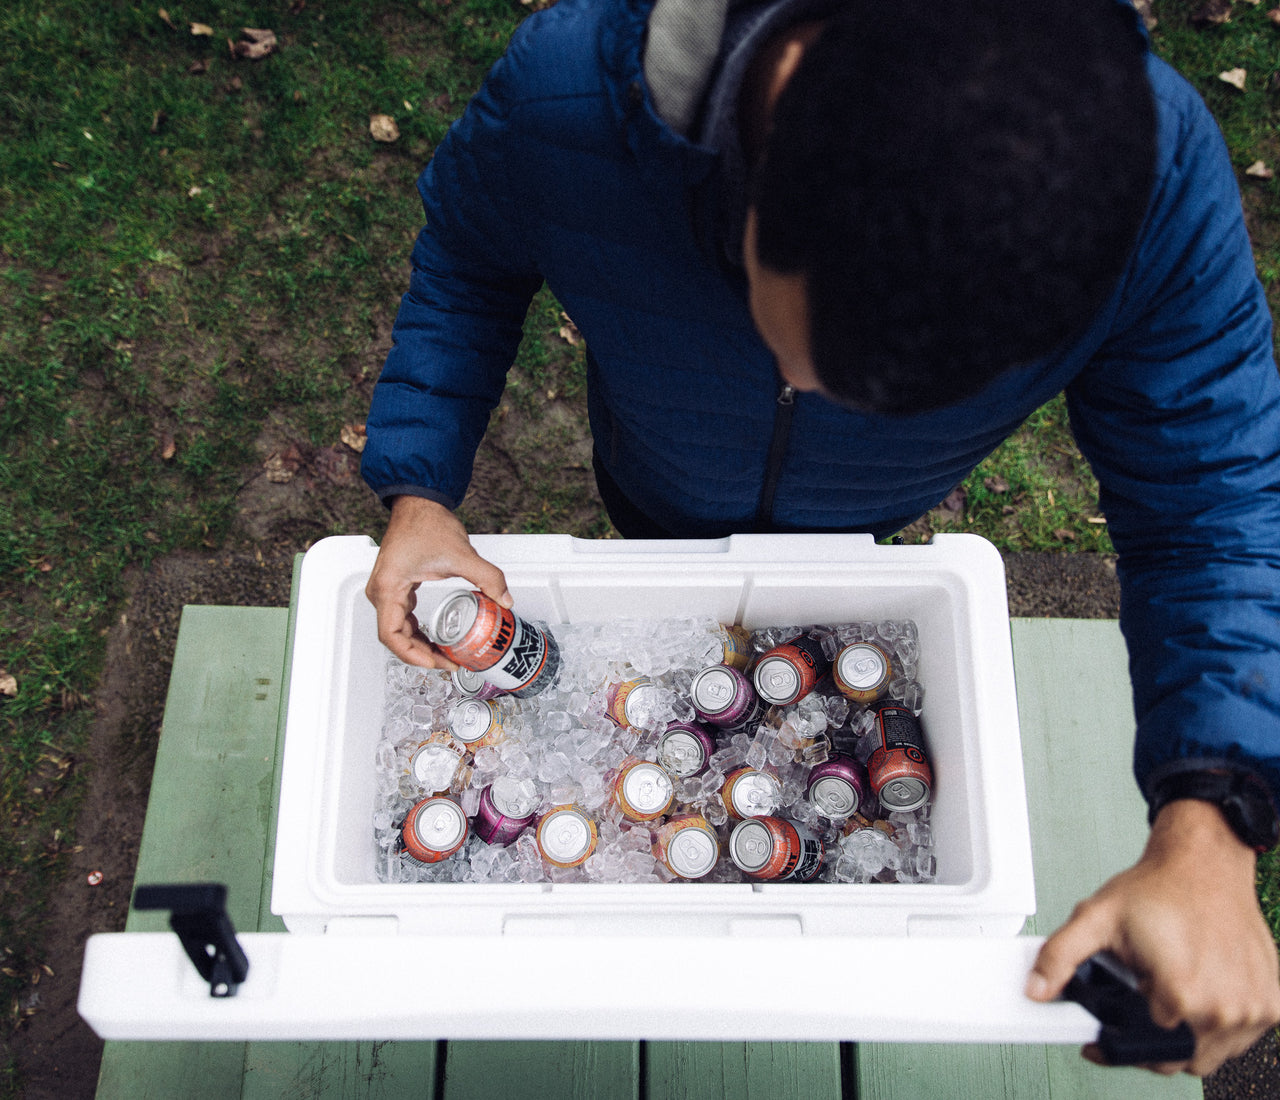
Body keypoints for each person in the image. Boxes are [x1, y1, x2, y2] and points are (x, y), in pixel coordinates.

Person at [360, 0, 1280, 1075]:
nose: (796, 384)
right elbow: (469, 258)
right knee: (649, 525)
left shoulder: (1148, 182)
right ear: (756, 186)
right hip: (651, 476)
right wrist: (420, 487)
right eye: (784, 335)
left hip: (863, 517)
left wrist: (1211, 823)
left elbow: (1213, 503)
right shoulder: (570, 92)